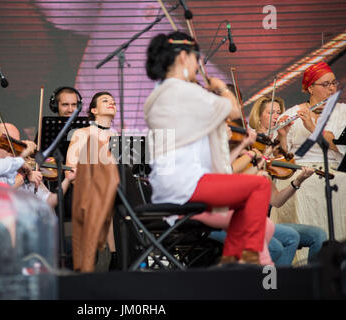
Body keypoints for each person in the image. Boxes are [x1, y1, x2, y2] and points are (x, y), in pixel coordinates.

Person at [144, 31, 271, 265]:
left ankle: (231, 258)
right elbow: (233, 110)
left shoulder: (159, 94)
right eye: (196, 58)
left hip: (169, 182)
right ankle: (250, 254)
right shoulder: (184, 90)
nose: (197, 65)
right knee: (261, 185)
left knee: (245, 198)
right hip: (186, 182)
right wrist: (222, 88)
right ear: (183, 57)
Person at [248, 95, 327, 264]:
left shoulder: (272, 144)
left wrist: (298, 181)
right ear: (258, 116)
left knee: (319, 235)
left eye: (278, 112)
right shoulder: (250, 145)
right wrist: (261, 156)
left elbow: (276, 199)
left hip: (264, 219)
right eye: (270, 113)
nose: (276, 116)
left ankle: (311, 284)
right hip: (249, 221)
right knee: (285, 241)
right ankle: (274, 286)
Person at [272, 61, 346, 242]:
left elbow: (338, 145)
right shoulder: (292, 113)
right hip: (300, 171)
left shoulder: (343, 111)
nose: (331, 88)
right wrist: (282, 135)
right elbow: (281, 157)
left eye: (334, 83)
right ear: (310, 88)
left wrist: (313, 128)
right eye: (325, 84)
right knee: (298, 183)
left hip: (334, 171)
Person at [66, 91, 119, 271]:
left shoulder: (118, 136)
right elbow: (71, 169)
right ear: (94, 110)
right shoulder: (81, 133)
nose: (111, 103)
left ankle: (117, 258)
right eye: (105, 101)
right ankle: (110, 257)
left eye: (113, 101)